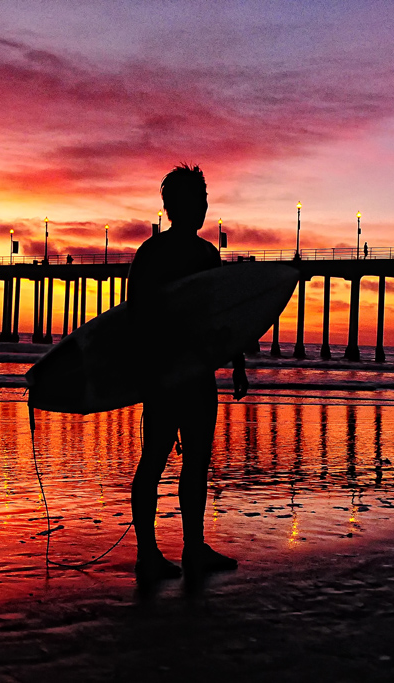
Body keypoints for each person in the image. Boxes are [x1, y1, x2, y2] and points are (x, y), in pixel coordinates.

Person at [126, 164, 249, 582]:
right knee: (187, 462)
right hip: (188, 374)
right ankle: (181, 550)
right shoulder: (201, 255)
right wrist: (237, 366)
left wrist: (141, 371)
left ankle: (156, 553)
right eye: (201, 199)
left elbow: (135, 321)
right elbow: (222, 318)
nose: (206, 206)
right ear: (182, 205)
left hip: (167, 374)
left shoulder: (150, 254)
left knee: (159, 462)